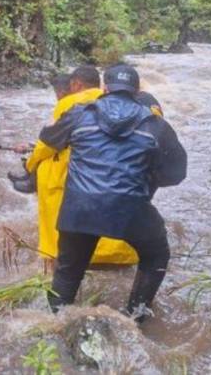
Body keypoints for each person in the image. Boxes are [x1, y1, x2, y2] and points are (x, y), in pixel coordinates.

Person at [38, 64, 187, 321]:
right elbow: (176, 174)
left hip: (79, 208)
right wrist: (147, 179)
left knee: (68, 270)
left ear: (104, 87)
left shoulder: (79, 114)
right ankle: (135, 316)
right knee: (157, 255)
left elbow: (50, 139)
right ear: (138, 91)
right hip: (130, 209)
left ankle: (55, 323)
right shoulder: (156, 125)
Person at [17, 66, 139, 265]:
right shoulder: (128, 106)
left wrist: (30, 166)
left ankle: (60, 257)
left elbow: (49, 143)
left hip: (72, 178)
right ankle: (113, 253)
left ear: (76, 84)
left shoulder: (70, 104)